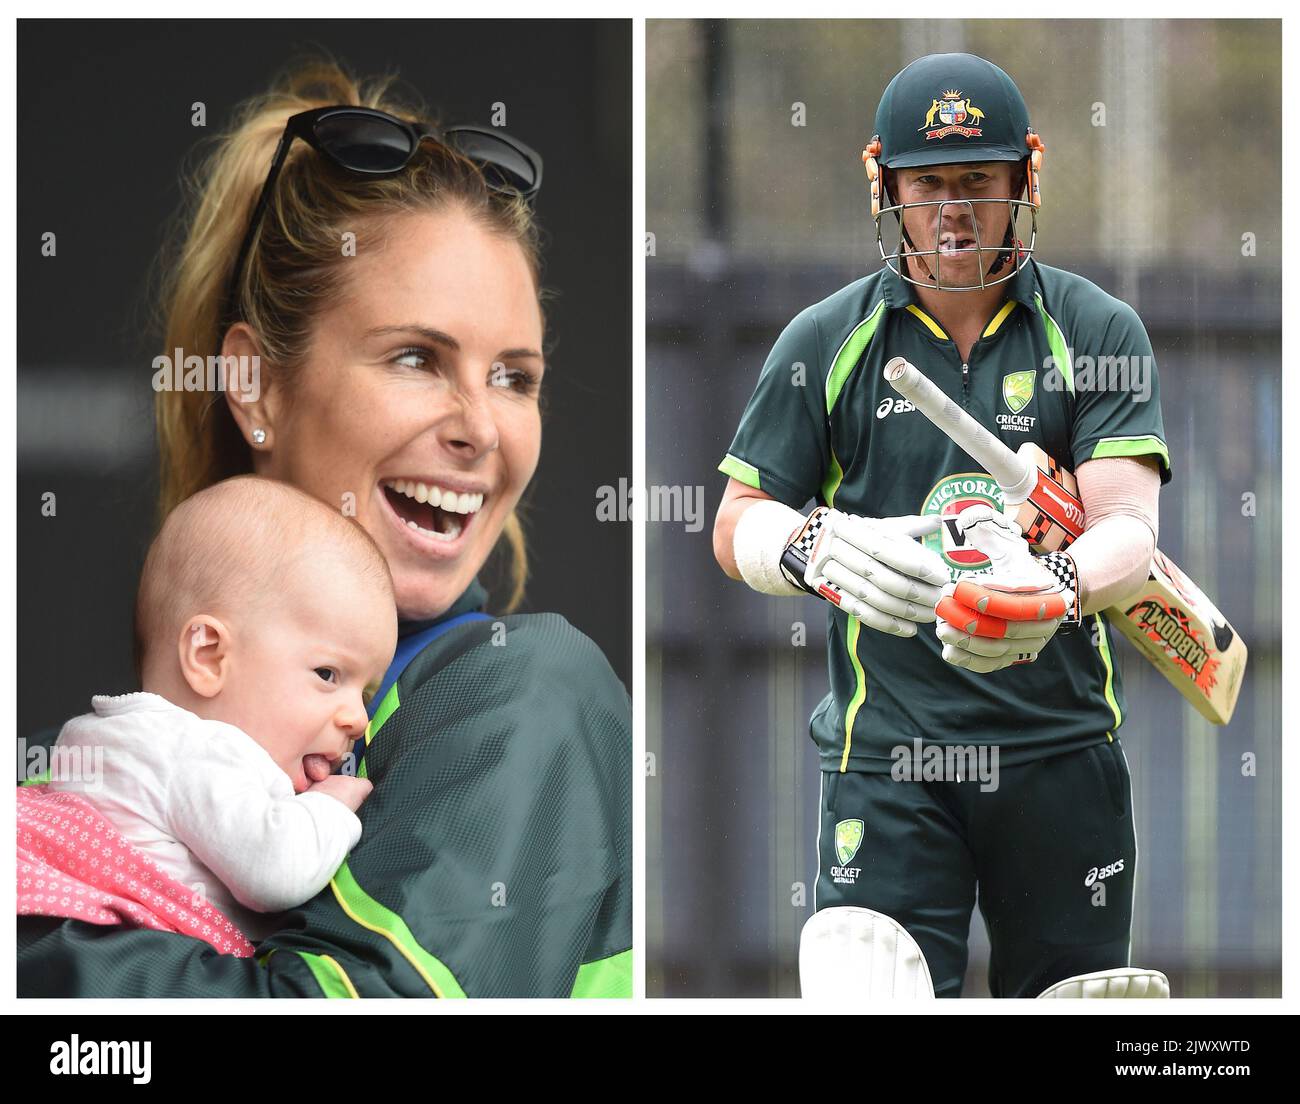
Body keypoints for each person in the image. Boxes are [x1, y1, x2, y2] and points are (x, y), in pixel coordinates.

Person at [19, 61, 631, 999]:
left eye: (515, 376)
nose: (480, 425)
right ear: (256, 383)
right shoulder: (176, 720)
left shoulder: (529, 695)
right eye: (419, 358)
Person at [713, 53, 1170, 998]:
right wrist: (812, 551)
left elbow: (1129, 526)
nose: (953, 210)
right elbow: (734, 522)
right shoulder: (823, 342)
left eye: (978, 181)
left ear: (1025, 177)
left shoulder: (1095, 329)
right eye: (927, 183)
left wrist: (1063, 584)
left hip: (1060, 750)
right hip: (888, 758)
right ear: (882, 179)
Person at [35, 477, 394, 944]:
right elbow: (274, 871)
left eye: (365, 694)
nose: (358, 720)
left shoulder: (98, 740)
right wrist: (332, 807)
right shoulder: (195, 751)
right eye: (328, 674)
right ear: (208, 656)